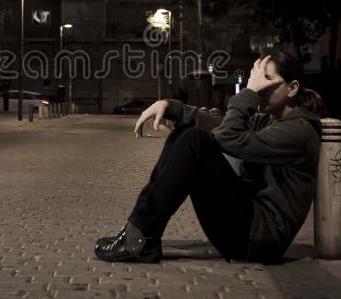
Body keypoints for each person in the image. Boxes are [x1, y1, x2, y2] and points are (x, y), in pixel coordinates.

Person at [94, 50, 327, 264]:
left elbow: (228, 137)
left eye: (265, 81)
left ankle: (140, 237)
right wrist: (170, 106)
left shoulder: (299, 131)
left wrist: (248, 93)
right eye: (255, 80)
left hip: (259, 240)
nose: (258, 88)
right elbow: (218, 126)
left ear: (292, 88)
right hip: (248, 225)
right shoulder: (270, 120)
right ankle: (140, 234)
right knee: (185, 135)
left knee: (194, 141)